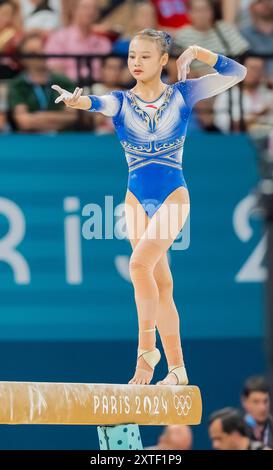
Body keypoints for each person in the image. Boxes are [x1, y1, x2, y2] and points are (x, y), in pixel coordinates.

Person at [52, 28, 246, 385]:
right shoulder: (122, 101)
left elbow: (238, 73)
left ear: (162, 60)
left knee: (139, 264)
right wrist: (79, 103)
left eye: (144, 56)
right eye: (131, 57)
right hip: (135, 197)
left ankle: (146, 352)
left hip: (174, 194)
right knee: (162, 282)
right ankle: (178, 368)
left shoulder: (184, 94)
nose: (135, 63)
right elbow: (98, 103)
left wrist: (200, 52)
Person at [9, 32, 77, 132]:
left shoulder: (63, 81)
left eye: (42, 48)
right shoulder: (18, 85)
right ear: (23, 59)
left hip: (62, 139)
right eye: (33, 53)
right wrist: (58, 119)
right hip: (30, 141)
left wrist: (38, 117)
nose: (40, 54)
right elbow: (23, 122)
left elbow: (72, 116)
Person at [174, 0, 249, 75]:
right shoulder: (182, 36)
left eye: (205, 10)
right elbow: (176, 67)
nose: (201, 15)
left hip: (229, 76)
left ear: (212, 12)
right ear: (189, 14)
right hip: (199, 81)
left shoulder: (224, 28)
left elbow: (245, 53)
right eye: (197, 10)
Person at [241, 376, 273, 449]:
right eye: (256, 402)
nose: (262, 408)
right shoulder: (237, 433)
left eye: (265, 401)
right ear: (244, 401)